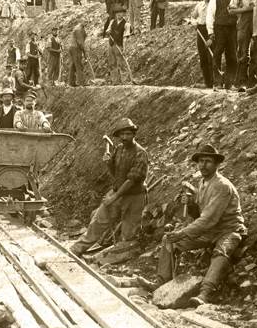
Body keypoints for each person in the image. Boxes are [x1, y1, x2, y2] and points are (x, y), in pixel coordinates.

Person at [156, 144, 246, 308]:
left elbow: (207, 219)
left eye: (208, 161)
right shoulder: (203, 183)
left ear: (217, 164)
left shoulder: (222, 185)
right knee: (169, 240)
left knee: (221, 252)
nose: (203, 165)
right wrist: (190, 204)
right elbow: (200, 214)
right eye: (200, 161)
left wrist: (182, 232)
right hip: (210, 230)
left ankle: (205, 293)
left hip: (229, 229)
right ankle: (162, 281)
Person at [70, 118, 148, 256]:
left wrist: (114, 197)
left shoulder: (141, 153)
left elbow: (131, 181)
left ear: (134, 134)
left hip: (134, 196)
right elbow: (115, 174)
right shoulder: (119, 149)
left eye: (128, 134)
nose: (124, 137)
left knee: (129, 232)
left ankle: (124, 254)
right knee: (99, 220)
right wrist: (108, 163)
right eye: (122, 135)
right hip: (118, 190)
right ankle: (78, 248)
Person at [229, 0, 257, 91]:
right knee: (242, 52)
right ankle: (241, 82)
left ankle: (254, 82)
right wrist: (246, 8)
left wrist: (251, 8)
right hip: (243, 22)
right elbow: (231, 9)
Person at [211, 0, 238, 90]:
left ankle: (230, 82)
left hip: (233, 29)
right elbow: (210, 15)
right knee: (217, 54)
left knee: (232, 55)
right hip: (219, 29)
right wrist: (210, 32)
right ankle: (217, 82)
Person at [191, 0, 216, 88]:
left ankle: (215, 82)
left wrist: (212, 37)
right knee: (203, 57)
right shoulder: (199, 5)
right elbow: (193, 16)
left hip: (212, 30)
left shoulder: (216, 4)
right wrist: (194, 22)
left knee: (212, 56)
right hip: (201, 30)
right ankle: (208, 83)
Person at [104, 7, 132, 84]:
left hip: (119, 45)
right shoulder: (112, 21)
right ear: (115, 14)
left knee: (121, 64)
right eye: (117, 13)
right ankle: (115, 81)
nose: (119, 14)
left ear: (124, 14)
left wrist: (124, 48)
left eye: (121, 13)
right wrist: (108, 31)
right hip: (111, 45)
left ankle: (125, 81)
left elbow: (125, 38)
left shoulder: (127, 24)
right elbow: (108, 30)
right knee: (112, 63)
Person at [68, 22, 88, 87]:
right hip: (75, 48)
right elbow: (80, 42)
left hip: (72, 48)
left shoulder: (77, 28)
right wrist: (85, 53)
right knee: (78, 65)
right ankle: (81, 82)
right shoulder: (79, 30)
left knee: (73, 65)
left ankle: (71, 82)